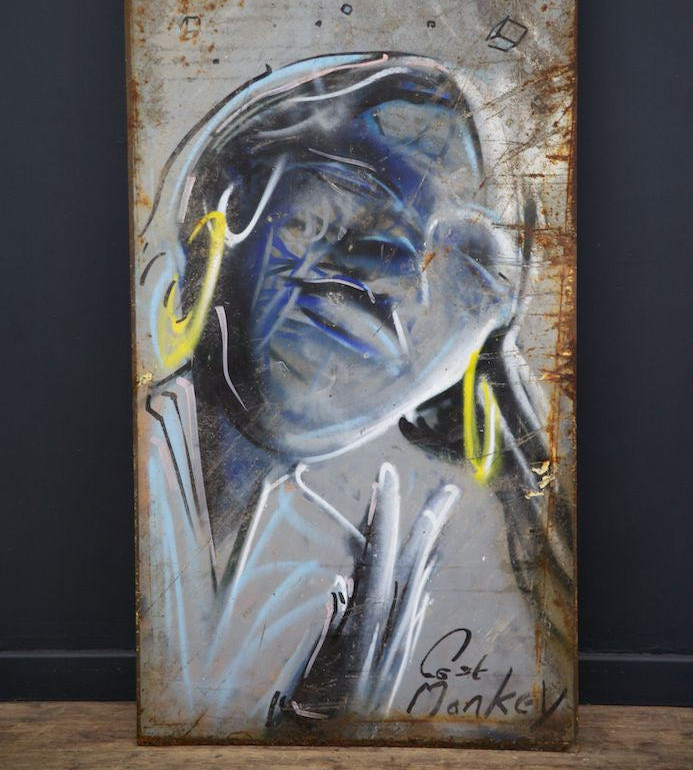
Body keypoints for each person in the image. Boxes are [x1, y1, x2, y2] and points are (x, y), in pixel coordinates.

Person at [136, 53, 573, 742]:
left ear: (466, 373)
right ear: (226, 208)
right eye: (345, 188)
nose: (392, 263)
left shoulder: (336, 562)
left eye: (470, 263)